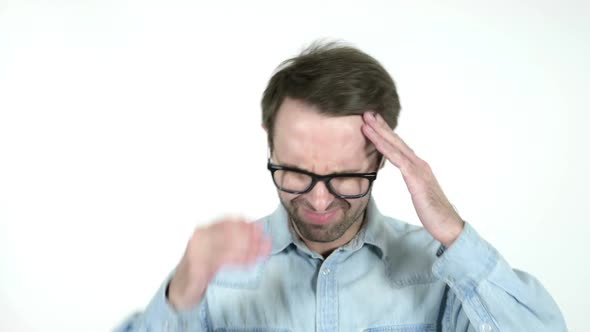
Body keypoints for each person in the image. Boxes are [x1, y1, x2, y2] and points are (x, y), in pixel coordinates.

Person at [116, 41, 567, 332]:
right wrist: (183, 292)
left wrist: (453, 234)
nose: (317, 199)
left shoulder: (440, 270)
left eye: (345, 177)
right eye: (295, 172)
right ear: (269, 144)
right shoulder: (215, 273)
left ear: (384, 159)